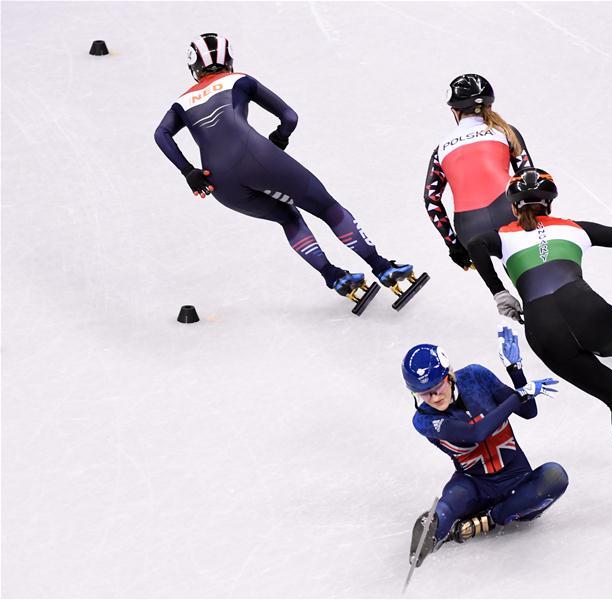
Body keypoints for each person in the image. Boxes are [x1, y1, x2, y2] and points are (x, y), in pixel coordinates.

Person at [466, 167, 612, 515]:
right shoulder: (573, 228)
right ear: (549, 202)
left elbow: (473, 244)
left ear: (514, 207)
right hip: (584, 308)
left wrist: (499, 291)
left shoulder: (501, 236)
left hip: (542, 329)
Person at [154, 33, 417, 304]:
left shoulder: (182, 102)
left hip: (218, 181)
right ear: (229, 61)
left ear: (193, 68)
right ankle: (382, 268)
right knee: (327, 208)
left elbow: (161, 134)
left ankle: (334, 276)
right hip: (257, 157)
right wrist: (279, 137)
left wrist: (188, 172)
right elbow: (289, 116)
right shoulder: (238, 80)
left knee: (288, 218)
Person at [403, 329, 568, 566]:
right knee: (443, 511)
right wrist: (425, 537)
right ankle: (444, 531)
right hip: (473, 485)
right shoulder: (423, 420)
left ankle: (488, 520)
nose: (434, 398)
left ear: (449, 375)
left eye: (437, 387)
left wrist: (516, 370)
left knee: (556, 475)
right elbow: (476, 434)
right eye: (423, 394)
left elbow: (529, 412)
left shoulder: (475, 377)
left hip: (518, 482)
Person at [422, 74, 533, 271]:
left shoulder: (440, 149)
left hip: (469, 227)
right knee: (532, 273)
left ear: (455, 111)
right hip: (508, 209)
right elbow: (529, 178)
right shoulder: (506, 131)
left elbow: (431, 200)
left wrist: (454, 246)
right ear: (489, 106)